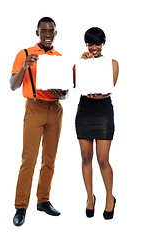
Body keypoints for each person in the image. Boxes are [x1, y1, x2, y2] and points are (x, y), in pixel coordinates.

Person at [10, 17, 68, 226]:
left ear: (55, 33)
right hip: (34, 108)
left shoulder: (59, 57)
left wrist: (62, 93)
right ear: (37, 33)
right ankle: (20, 207)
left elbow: (65, 91)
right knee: (29, 160)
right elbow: (13, 85)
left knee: (49, 160)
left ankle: (43, 200)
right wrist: (25, 67)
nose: (47, 35)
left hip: (55, 109)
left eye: (51, 31)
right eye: (44, 31)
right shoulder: (25, 54)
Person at [74, 27, 119, 219]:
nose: (94, 47)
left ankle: (110, 197)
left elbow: (109, 87)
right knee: (85, 157)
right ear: (86, 44)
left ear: (103, 43)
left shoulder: (112, 63)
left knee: (102, 159)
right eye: (90, 44)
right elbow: (75, 84)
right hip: (85, 110)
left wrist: (101, 93)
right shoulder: (81, 63)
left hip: (103, 111)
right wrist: (83, 64)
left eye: (97, 43)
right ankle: (89, 197)